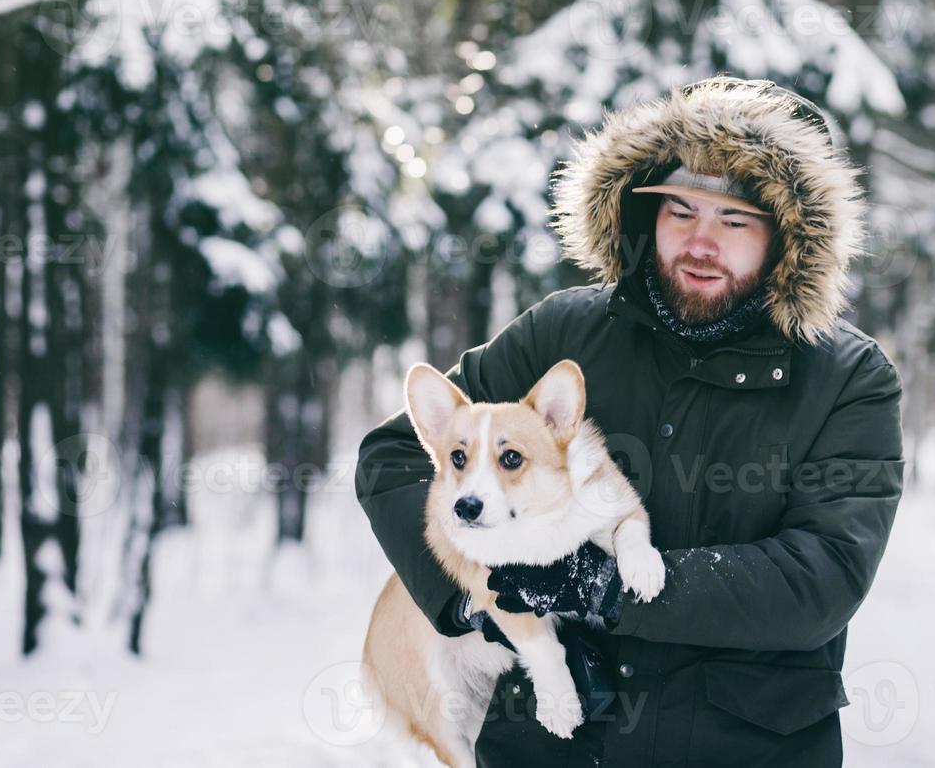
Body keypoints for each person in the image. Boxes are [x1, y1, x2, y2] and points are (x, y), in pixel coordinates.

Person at [354, 76, 906, 767]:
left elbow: (818, 578)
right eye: (680, 212)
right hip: (548, 747)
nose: (701, 242)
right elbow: (396, 458)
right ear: (646, 217)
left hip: (745, 747)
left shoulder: (848, 380)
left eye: (734, 222)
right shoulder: (565, 332)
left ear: (788, 239)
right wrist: (475, 597)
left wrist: (606, 586)